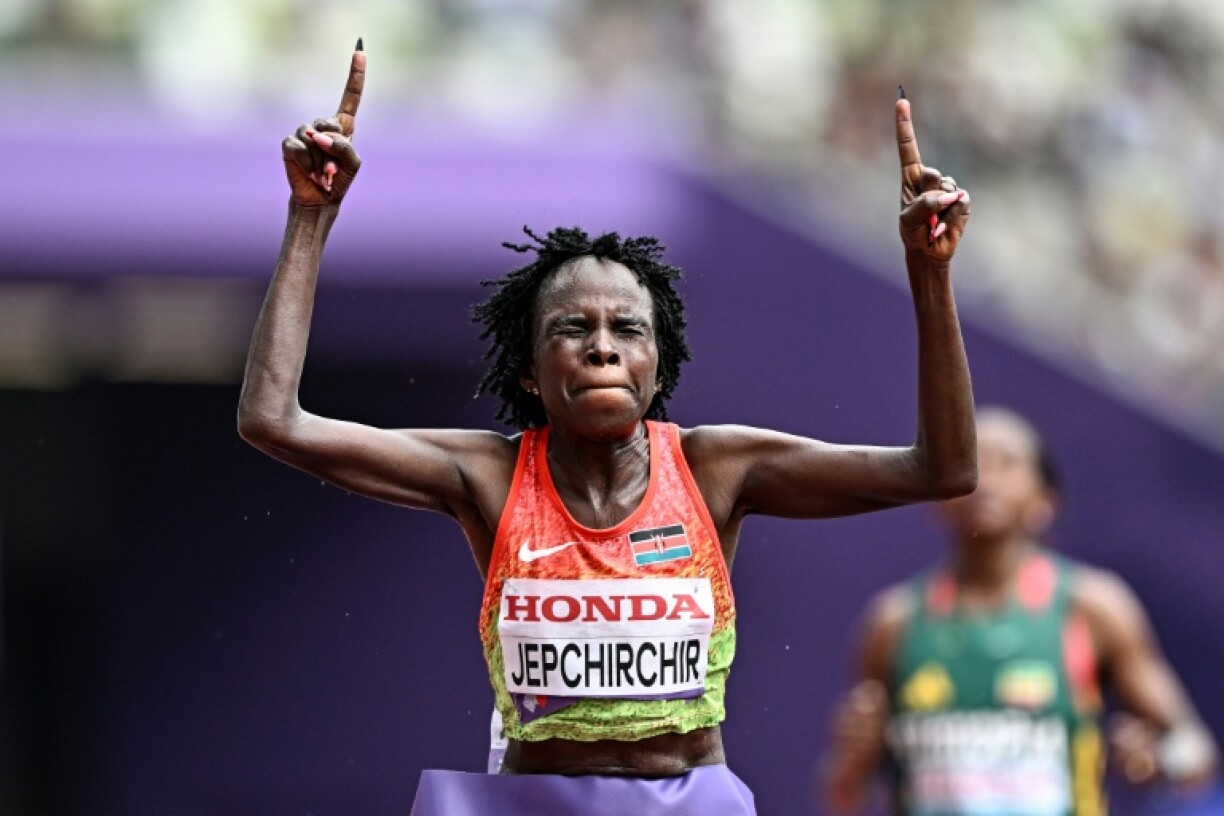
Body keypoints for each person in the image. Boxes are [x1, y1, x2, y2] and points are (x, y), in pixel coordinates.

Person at [238, 41, 976, 815]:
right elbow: (273, 419)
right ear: (529, 368)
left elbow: (942, 470)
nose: (602, 345)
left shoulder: (715, 468)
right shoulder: (488, 476)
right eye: (572, 327)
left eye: (628, 328)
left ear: (658, 363)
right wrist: (309, 217)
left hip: (688, 799)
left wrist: (930, 276)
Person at [822, 406, 1219, 816]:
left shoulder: (1094, 608)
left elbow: (1198, 753)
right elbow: (843, 796)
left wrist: (1161, 759)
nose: (985, 481)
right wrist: (853, 762)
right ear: (936, 499)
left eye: (1006, 464)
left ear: (1044, 500)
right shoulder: (894, 624)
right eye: (971, 464)